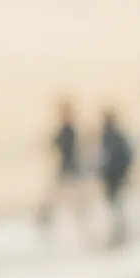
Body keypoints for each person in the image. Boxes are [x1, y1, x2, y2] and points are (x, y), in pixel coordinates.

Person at [37, 99, 87, 239]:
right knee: (61, 197)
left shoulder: (69, 130)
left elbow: (67, 146)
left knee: (71, 198)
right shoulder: (66, 129)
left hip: (70, 168)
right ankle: (47, 222)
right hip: (67, 168)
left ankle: (49, 222)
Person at [97, 108, 134, 247]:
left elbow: (125, 156)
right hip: (110, 176)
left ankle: (120, 231)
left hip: (116, 175)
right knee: (114, 204)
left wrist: (124, 173)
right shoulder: (106, 135)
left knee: (117, 204)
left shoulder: (116, 136)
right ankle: (117, 231)